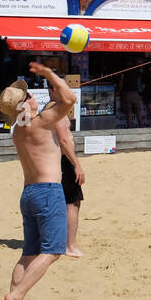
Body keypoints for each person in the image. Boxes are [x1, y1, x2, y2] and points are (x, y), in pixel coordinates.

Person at [0, 62, 75, 300]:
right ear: (25, 105)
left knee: (29, 253)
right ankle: (16, 297)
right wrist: (49, 74)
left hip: (28, 194)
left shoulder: (17, 130)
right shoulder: (40, 123)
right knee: (53, 251)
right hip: (48, 191)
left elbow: (57, 105)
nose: (33, 96)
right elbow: (70, 98)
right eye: (29, 96)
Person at [52, 105, 86, 257]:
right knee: (72, 201)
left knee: (66, 201)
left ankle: (64, 243)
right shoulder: (55, 111)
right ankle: (70, 246)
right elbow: (63, 140)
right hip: (63, 159)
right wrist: (77, 164)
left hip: (61, 159)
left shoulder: (53, 111)